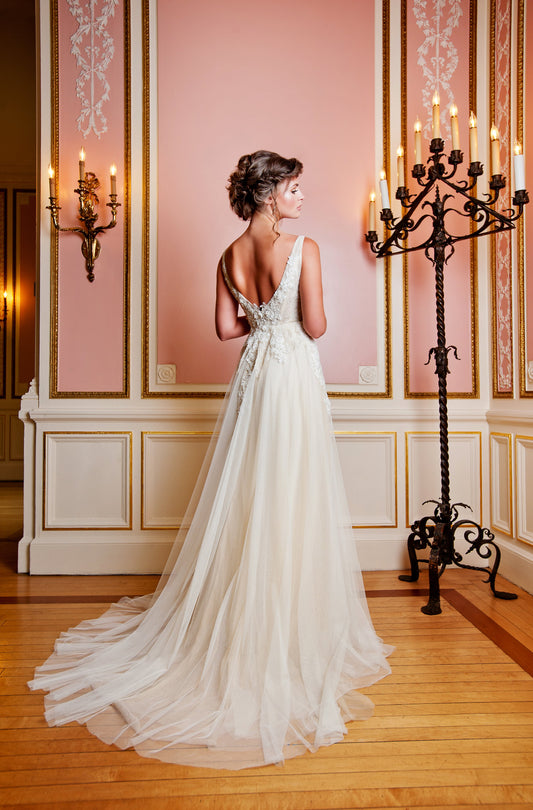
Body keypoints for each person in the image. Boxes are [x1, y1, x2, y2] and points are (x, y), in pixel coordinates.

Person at [29, 150, 392, 770]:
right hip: (294, 384)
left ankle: (244, 624)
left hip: (253, 383)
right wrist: (286, 321)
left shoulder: (227, 256)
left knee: (251, 495)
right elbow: (320, 325)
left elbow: (226, 330)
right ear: (272, 192)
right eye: (296, 188)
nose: (304, 198)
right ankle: (286, 631)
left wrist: (262, 321)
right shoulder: (306, 248)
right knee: (290, 497)